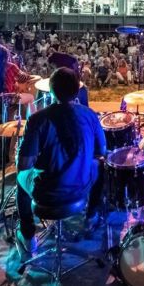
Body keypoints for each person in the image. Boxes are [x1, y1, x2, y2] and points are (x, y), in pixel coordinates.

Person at [15, 67, 106, 256]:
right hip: (81, 188)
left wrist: (20, 154)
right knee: (100, 166)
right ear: (76, 89)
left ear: (51, 89)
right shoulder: (89, 114)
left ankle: (28, 236)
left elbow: (24, 165)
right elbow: (101, 151)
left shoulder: (38, 119)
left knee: (20, 178)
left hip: (46, 194)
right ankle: (91, 216)